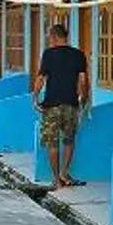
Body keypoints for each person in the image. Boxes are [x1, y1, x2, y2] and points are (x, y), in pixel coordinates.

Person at [32, 17, 89, 187]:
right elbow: (83, 81)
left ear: (54, 37)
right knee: (69, 140)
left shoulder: (48, 54)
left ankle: (56, 179)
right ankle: (65, 174)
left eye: (50, 38)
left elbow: (41, 78)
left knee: (52, 142)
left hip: (51, 105)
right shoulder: (78, 54)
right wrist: (83, 100)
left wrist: (35, 97)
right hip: (71, 104)